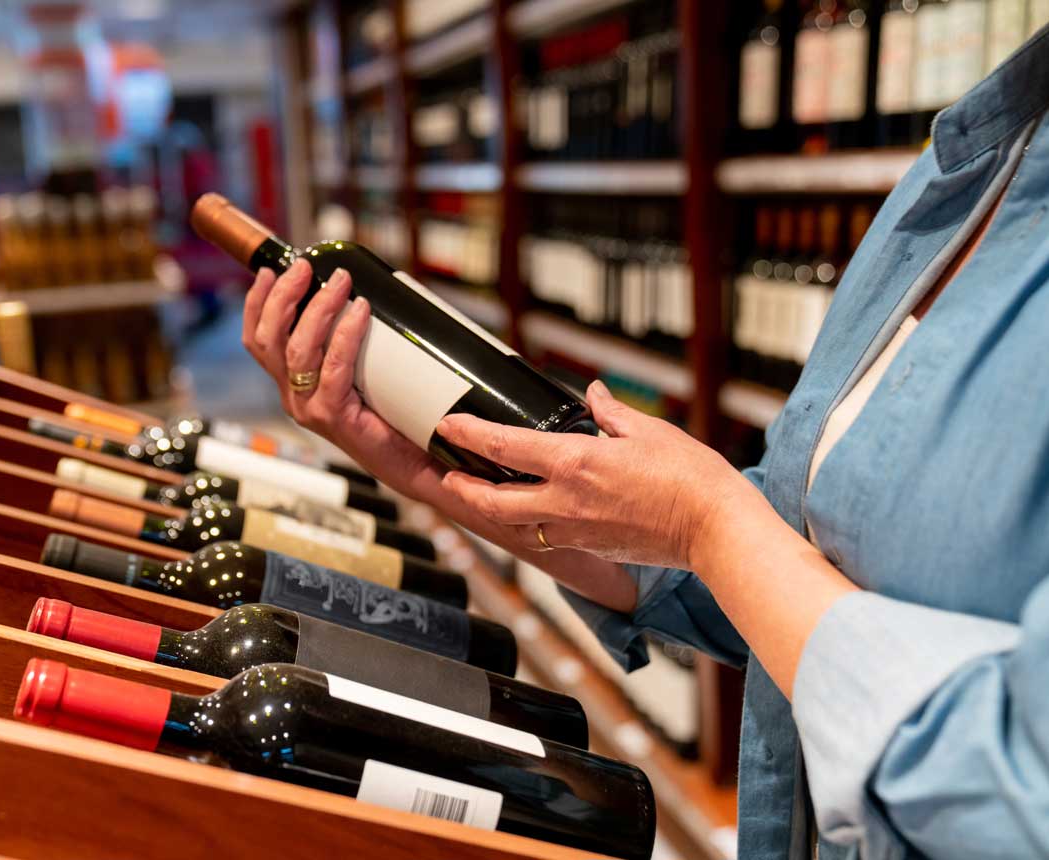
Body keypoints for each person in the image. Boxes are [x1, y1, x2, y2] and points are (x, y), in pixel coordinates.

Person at [239, 31, 1049, 860]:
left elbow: (1019, 785)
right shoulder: (973, 159)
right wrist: (428, 470)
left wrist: (708, 520)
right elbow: (791, 572)